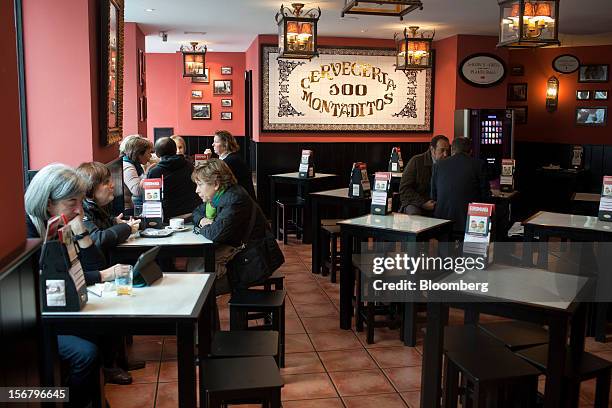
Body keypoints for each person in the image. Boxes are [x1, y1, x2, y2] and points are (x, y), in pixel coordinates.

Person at [25, 164, 133, 406]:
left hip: (54, 312)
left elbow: (93, 265)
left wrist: (81, 231)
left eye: (80, 201)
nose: (78, 209)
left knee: (100, 331)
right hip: (31, 324)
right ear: (48, 203)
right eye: (71, 202)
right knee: (86, 353)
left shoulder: (59, 224)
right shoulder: (29, 231)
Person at [191, 159, 273, 294]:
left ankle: (204, 308)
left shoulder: (234, 200)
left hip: (252, 262)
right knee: (195, 266)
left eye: (200, 184)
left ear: (216, 183)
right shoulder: (221, 196)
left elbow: (214, 234)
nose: (196, 190)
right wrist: (203, 221)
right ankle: (206, 310)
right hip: (241, 254)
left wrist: (204, 227)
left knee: (196, 284)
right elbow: (197, 212)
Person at [75, 162, 140, 256]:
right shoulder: (81, 210)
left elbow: (102, 225)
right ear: (89, 188)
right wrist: (127, 228)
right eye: (106, 182)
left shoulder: (96, 205)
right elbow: (97, 239)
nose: (112, 185)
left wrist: (114, 222)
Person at [431, 137, 491, 234]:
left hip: (442, 220)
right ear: (471, 151)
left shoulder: (438, 165)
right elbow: (485, 195)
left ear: (452, 150)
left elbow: (433, 195)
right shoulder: (478, 164)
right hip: (470, 221)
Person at [147, 137, 202, 219]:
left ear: (157, 154)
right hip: (193, 213)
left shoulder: (155, 172)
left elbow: (151, 200)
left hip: (169, 216)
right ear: (174, 150)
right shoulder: (190, 166)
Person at [399, 135, 450, 215]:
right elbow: (404, 189)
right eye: (442, 150)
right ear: (432, 149)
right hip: (416, 203)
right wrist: (423, 203)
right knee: (414, 213)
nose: (445, 154)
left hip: (438, 203)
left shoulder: (448, 164)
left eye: (447, 150)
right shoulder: (416, 161)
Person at [212, 130, 256, 199]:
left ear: (225, 144)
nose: (213, 144)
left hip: (241, 201)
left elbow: (213, 178)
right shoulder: (230, 157)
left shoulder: (231, 160)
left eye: (216, 142)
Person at [121, 135, 153, 211]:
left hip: (132, 205)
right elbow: (137, 191)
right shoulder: (128, 167)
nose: (151, 156)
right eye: (148, 153)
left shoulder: (135, 164)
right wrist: (147, 173)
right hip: (126, 210)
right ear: (139, 154)